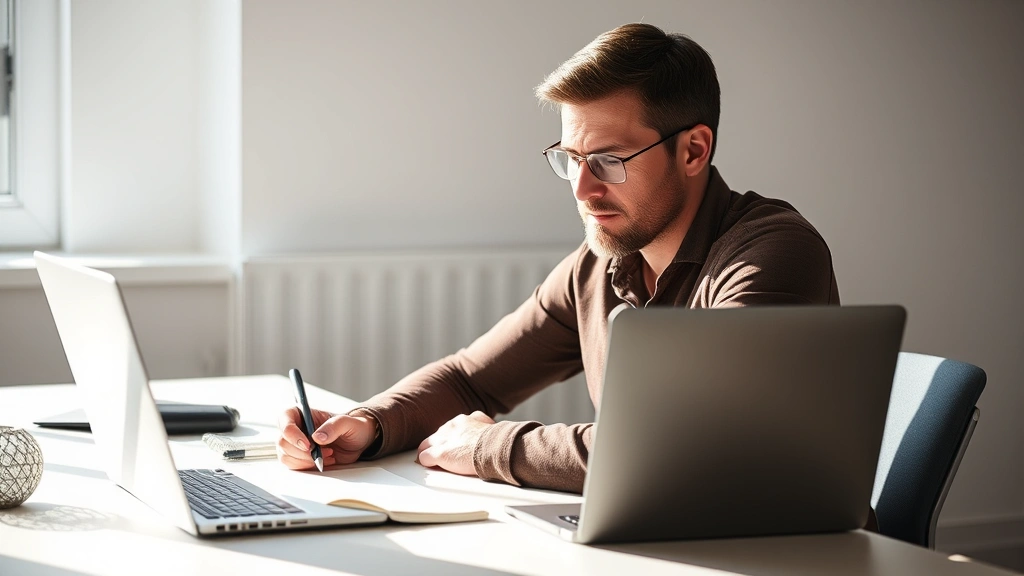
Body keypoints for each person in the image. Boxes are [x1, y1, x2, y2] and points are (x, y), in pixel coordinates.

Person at [277, 22, 839, 495]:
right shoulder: (600, 261)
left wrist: (488, 445)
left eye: (610, 160)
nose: (582, 188)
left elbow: (685, 448)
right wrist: (369, 424)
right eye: (571, 158)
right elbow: (471, 380)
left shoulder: (772, 255)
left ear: (693, 150)